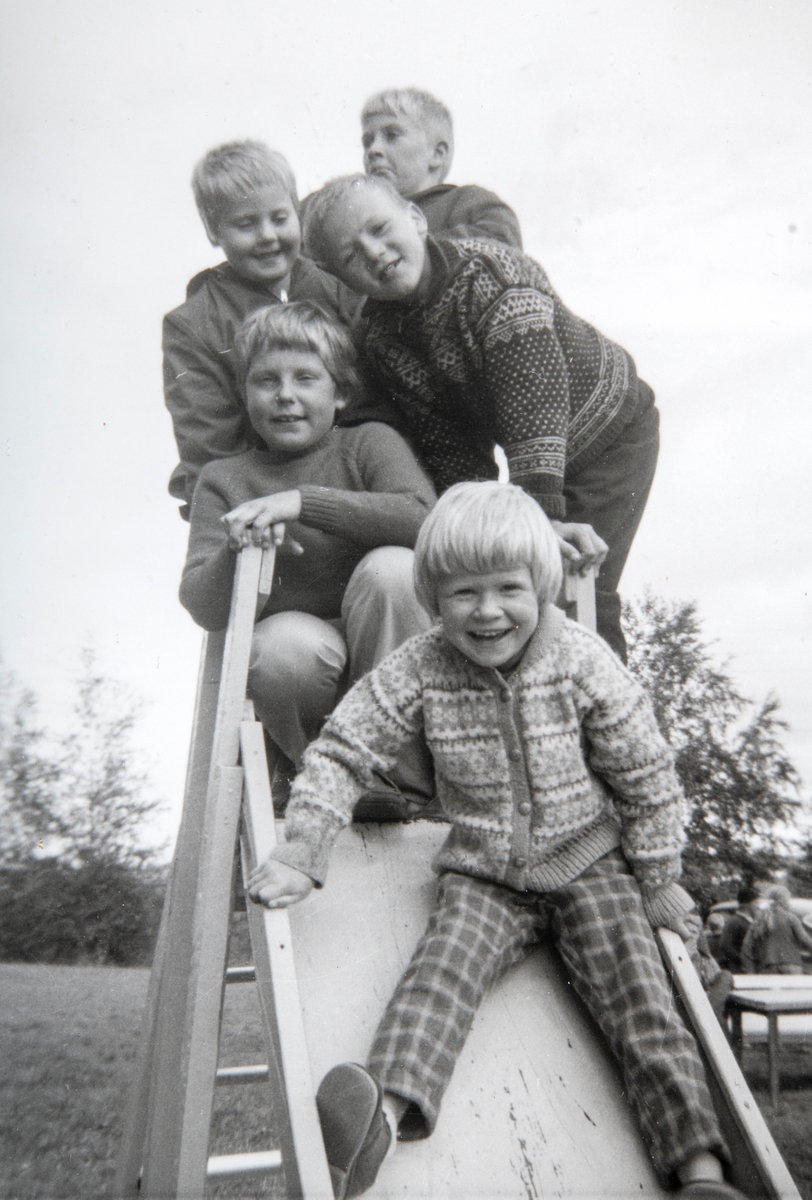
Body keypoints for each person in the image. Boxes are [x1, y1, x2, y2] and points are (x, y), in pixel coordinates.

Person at [248, 481, 748, 1200]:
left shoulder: (580, 660)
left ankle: (699, 1168)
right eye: (463, 592)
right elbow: (343, 748)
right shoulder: (421, 665)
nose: (486, 611)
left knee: (641, 1000)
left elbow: (645, 771)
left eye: (508, 588)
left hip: (590, 864)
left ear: (541, 585)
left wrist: (659, 874)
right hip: (483, 873)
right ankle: (376, 1121)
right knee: (439, 977)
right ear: (432, 597)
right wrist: (305, 847)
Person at [303, 173, 659, 661]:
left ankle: (603, 705)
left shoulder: (493, 273)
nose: (375, 252)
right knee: (498, 573)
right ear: (340, 279)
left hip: (609, 428)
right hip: (532, 442)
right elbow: (450, 441)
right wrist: (475, 521)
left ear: (416, 218)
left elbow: (535, 400)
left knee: (570, 577)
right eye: (351, 255)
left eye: (380, 229)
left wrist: (539, 519)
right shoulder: (383, 338)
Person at [180, 301, 436, 809]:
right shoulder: (224, 479)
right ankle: (330, 777)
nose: (285, 396)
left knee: (394, 570)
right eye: (266, 380)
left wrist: (303, 503)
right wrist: (237, 549)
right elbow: (201, 605)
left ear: (339, 392)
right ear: (244, 393)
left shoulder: (369, 443)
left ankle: (400, 778)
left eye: (305, 378)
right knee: (277, 648)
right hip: (306, 673)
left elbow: (424, 520)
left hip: (388, 647)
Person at [163, 140, 359, 518]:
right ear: (213, 231)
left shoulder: (338, 288)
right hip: (256, 494)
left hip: (350, 479)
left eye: (279, 218)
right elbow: (209, 445)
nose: (267, 235)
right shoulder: (193, 323)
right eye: (246, 224)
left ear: (297, 213)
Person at [360, 87, 522, 247]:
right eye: (367, 142)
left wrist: (415, 251)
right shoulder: (360, 221)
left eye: (392, 136)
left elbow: (501, 242)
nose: (373, 150)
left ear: (437, 154)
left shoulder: (467, 201)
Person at [741, 885, 812, 975]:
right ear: (783, 901)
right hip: (792, 965)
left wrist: (750, 971)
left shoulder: (759, 920)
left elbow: (746, 947)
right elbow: (805, 940)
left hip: (767, 967)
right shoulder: (790, 918)